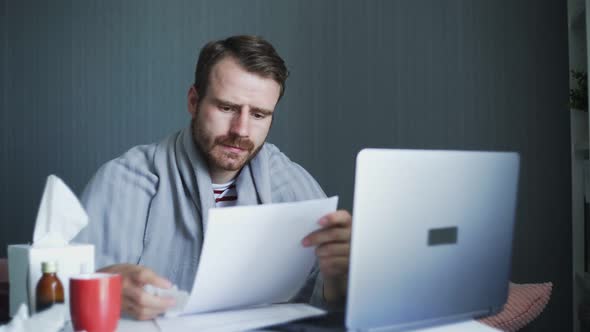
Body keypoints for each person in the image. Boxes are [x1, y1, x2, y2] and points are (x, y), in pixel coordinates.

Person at [74, 35, 352, 320]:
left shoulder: (294, 185)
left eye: (258, 114)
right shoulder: (123, 182)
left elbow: (325, 305)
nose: (241, 130)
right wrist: (102, 288)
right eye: (227, 108)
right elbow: (63, 296)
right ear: (194, 101)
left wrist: (339, 279)